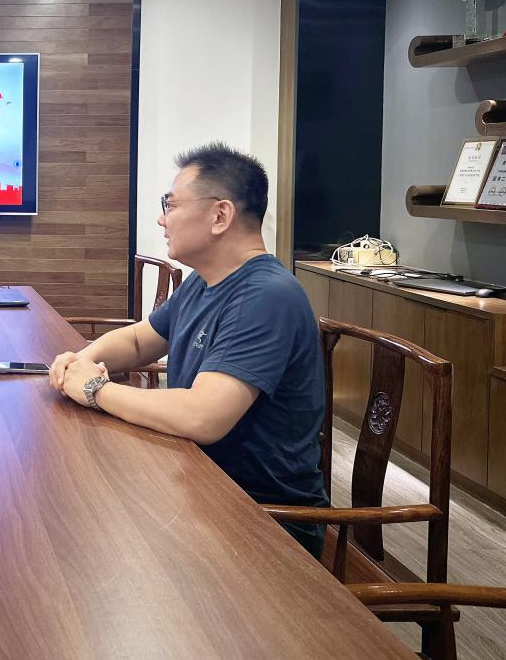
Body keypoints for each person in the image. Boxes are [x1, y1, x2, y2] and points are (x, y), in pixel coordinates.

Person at [48, 142, 328, 556]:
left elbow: (203, 417)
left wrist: (95, 390)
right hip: (198, 485)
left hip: (263, 520)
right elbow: (140, 340)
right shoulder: (204, 280)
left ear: (220, 215)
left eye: (171, 205)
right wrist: (83, 360)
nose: (162, 219)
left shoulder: (266, 296)